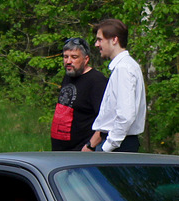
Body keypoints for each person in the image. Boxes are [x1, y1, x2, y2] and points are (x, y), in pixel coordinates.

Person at [86, 18, 146, 152]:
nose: (96, 44)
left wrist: (108, 147)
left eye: (100, 39)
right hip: (119, 142)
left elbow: (125, 115)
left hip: (118, 145)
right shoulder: (126, 66)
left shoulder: (124, 68)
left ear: (114, 40)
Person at [51, 37, 107, 151]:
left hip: (80, 154)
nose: (68, 61)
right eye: (65, 57)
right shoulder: (69, 75)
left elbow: (106, 119)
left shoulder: (96, 81)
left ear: (86, 59)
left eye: (74, 57)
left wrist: (90, 146)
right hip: (60, 152)